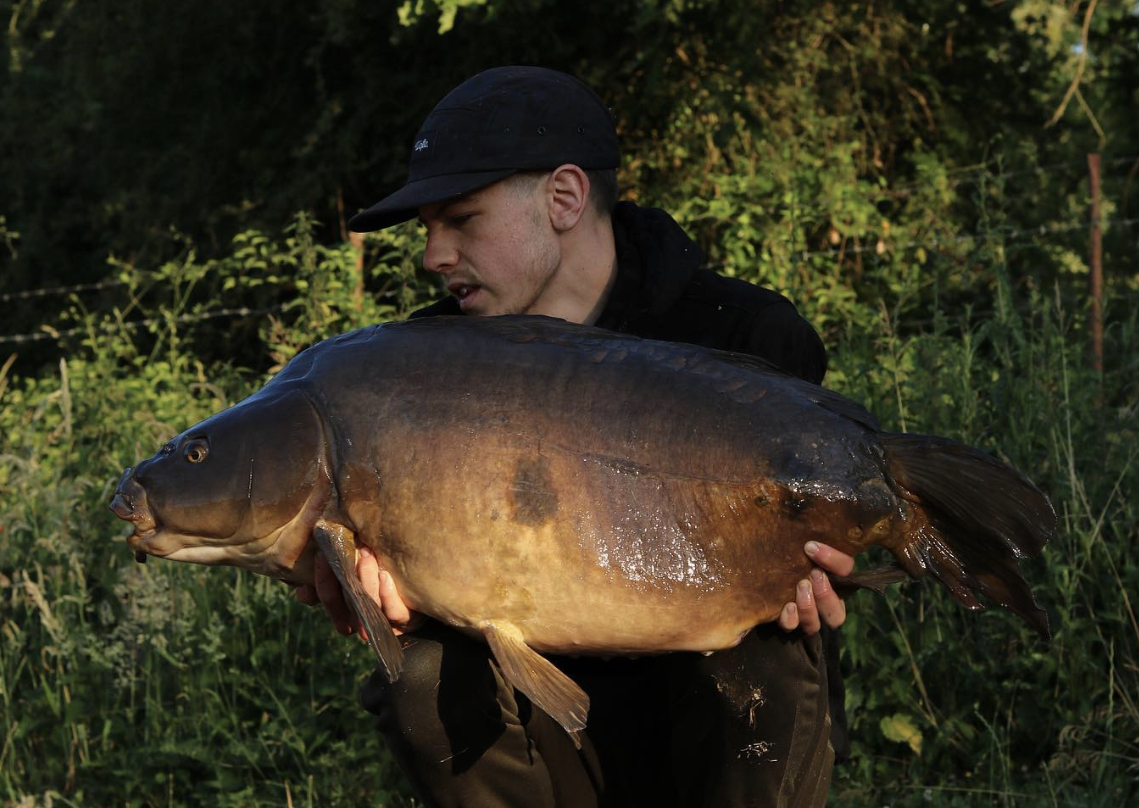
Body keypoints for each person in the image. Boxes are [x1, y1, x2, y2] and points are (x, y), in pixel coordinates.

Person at [295, 66, 856, 807]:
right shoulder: (418, 370)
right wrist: (370, 585)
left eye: (461, 220)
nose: (433, 256)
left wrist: (820, 577)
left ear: (563, 198)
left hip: (708, 719)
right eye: (428, 230)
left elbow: (823, 535)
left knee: (773, 651)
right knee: (421, 672)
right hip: (538, 736)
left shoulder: (742, 333)